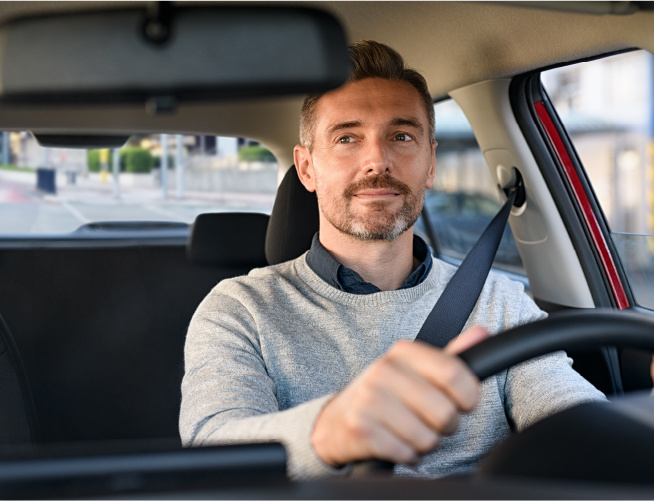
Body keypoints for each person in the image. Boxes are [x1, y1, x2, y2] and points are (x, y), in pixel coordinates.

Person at [179, 40, 606, 480]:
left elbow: (578, 425)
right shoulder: (240, 308)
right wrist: (331, 429)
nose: (377, 161)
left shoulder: (500, 301)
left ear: (430, 163)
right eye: (347, 138)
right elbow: (213, 445)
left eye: (401, 136)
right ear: (307, 169)